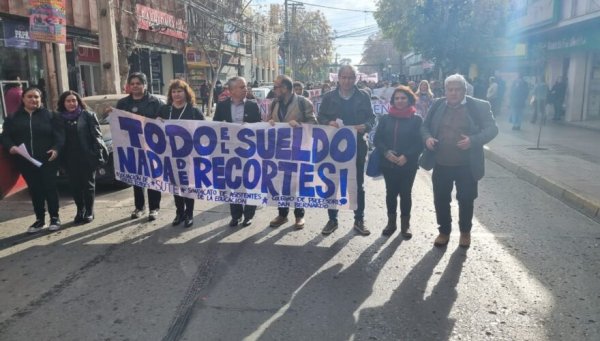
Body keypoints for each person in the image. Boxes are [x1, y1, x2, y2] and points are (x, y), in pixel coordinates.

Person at [420, 74, 498, 248]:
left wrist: (473, 140)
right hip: (441, 163)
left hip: (467, 165)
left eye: (457, 89)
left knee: (466, 199)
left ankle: (465, 232)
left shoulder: (479, 106)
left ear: (464, 90)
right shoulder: (438, 104)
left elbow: (493, 129)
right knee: (440, 199)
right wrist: (427, 139)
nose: (453, 93)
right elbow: (424, 126)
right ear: (445, 90)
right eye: (450, 89)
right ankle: (444, 231)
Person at [318, 65, 376, 236]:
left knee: (357, 184)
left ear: (356, 78)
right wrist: (328, 123)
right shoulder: (329, 97)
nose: (347, 81)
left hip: (357, 144)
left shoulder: (363, 96)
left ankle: (359, 219)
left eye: (350, 77)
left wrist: (365, 126)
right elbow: (320, 117)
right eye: (344, 77)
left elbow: (371, 118)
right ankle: (332, 219)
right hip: (334, 146)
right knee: (333, 182)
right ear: (338, 78)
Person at [2, 87, 64, 233]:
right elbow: (5, 136)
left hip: (48, 160)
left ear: (41, 99)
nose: (33, 100)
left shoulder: (51, 116)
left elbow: (60, 137)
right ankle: (39, 220)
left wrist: (56, 149)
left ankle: (54, 218)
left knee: (50, 188)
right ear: (23, 99)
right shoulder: (13, 118)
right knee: (35, 190)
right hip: (26, 161)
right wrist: (10, 146)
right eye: (29, 97)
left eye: (36, 97)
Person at [268, 75, 317, 230]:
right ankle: (282, 214)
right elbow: (269, 120)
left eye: (276, 87)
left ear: (285, 88)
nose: (274, 90)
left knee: (298, 183)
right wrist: (269, 123)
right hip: (280, 151)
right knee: (282, 183)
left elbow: (314, 125)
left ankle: (299, 215)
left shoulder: (303, 102)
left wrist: (300, 125)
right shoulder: (275, 103)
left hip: (298, 151)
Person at [374, 86, 423, 238]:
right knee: (391, 194)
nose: (400, 101)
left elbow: (420, 142)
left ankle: (405, 225)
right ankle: (391, 223)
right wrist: (386, 152)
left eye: (403, 98)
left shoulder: (416, 119)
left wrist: (406, 156)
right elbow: (377, 139)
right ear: (393, 101)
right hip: (388, 163)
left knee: (406, 194)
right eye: (397, 98)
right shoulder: (385, 118)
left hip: (408, 164)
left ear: (409, 100)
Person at [214, 76, 262, 227]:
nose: (245, 89)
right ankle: (235, 215)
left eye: (245, 86)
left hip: (249, 152)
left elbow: (260, 126)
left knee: (249, 183)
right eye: (241, 87)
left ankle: (249, 215)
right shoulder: (221, 106)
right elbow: (215, 125)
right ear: (231, 90)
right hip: (229, 152)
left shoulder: (253, 106)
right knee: (232, 183)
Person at [116, 72, 164, 221]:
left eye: (138, 83)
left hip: (152, 146)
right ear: (129, 86)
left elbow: (165, 120)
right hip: (132, 146)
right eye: (133, 84)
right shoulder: (123, 103)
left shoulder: (155, 102)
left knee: (153, 177)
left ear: (145, 85)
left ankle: (154, 208)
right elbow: (117, 122)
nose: (135, 86)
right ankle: (139, 207)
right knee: (137, 178)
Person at [158, 80, 204, 228]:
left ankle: (189, 213)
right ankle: (179, 212)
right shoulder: (165, 110)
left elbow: (204, 131)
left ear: (186, 93)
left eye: (180, 91)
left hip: (189, 154)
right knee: (175, 185)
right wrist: (157, 122)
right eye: (174, 91)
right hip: (170, 154)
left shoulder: (193, 111)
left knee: (188, 185)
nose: (176, 94)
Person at [57, 91, 102, 224]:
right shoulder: (59, 117)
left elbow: (97, 136)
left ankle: (89, 211)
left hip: (86, 156)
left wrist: (96, 154)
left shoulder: (87, 115)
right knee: (75, 186)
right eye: (68, 101)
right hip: (69, 157)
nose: (71, 103)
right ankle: (80, 210)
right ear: (63, 103)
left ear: (78, 102)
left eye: (74, 100)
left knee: (88, 185)